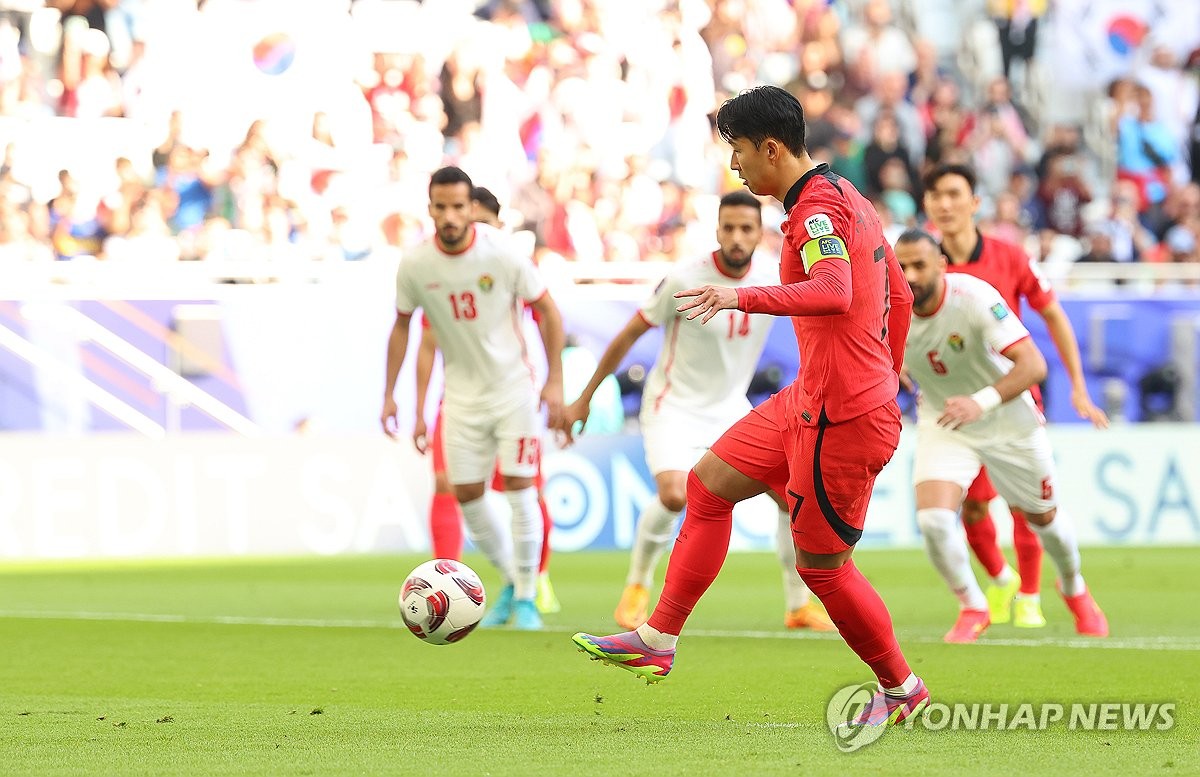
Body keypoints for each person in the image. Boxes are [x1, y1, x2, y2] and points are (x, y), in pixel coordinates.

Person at [569, 86, 928, 728]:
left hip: (841, 416)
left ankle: (902, 687)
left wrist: (741, 299)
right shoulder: (851, 199)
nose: (735, 168)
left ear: (770, 147)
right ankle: (657, 641)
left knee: (823, 568)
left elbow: (834, 290)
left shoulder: (817, 214)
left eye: (738, 153)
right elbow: (897, 296)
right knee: (708, 486)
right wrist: (889, 369)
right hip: (814, 399)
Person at [561, 191, 834, 633]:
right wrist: (586, 396)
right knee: (674, 495)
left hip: (729, 408)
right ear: (717, 230)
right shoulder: (684, 277)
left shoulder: (771, 277)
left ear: (759, 233)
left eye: (746, 229)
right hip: (673, 405)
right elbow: (627, 335)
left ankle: (797, 606)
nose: (737, 237)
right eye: (729, 227)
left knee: (789, 498)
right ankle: (637, 587)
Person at [895, 229, 1108, 641]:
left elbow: (1033, 365)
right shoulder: (887, 309)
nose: (910, 275)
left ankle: (1074, 588)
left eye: (919, 265)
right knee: (935, 519)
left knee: (1044, 518)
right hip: (946, 422)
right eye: (901, 267)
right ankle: (973, 605)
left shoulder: (975, 297)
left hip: (1006, 417)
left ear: (941, 264)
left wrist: (980, 401)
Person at [382, 166, 565, 631]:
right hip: (461, 397)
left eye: (457, 206)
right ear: (430, 209)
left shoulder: (501, 254)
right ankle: (510, 580)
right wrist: (390, 395)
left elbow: (547, 310)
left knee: (522, 488)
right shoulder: (416, 264)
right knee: (467, 495)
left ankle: (526, 597)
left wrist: (554, 380)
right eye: (440, 207)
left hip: (512, 391)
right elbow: (404, 326)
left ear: (470, 209)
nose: (449, 215)